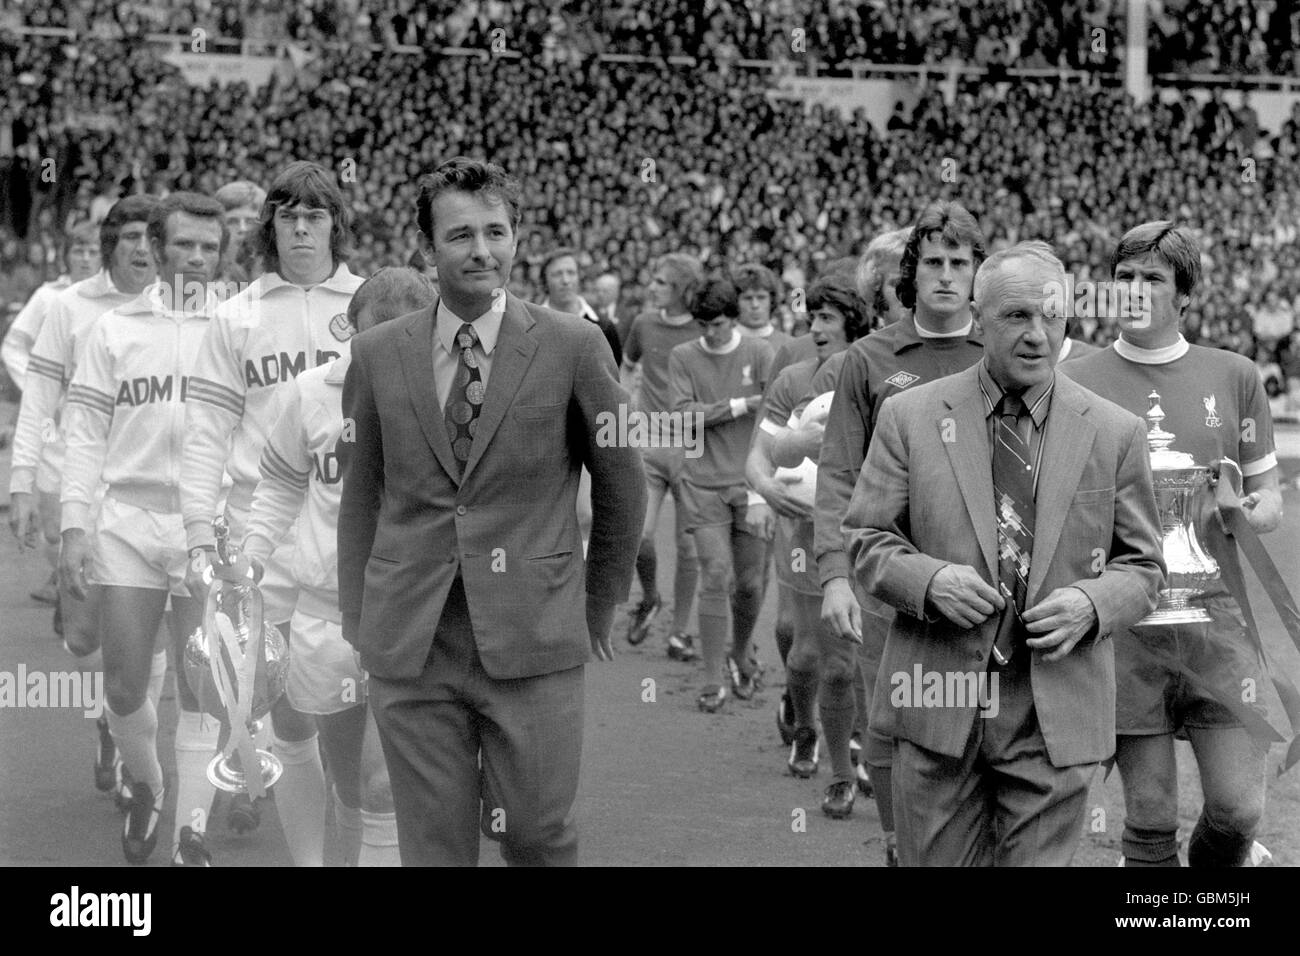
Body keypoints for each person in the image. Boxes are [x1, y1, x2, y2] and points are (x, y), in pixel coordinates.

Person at [337, 157, 645, 866]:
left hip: (534, 637)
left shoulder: (573, 345)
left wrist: (596, 608)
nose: (482, 250)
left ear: (516, 239)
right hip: (414, 642)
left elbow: (624, 485)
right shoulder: (379, 353)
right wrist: (359, 613)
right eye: (461, 235)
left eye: (497, 232)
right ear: (428, 249)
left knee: (536, 834)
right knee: (435, 847)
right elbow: (362, 495)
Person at [844, 241, 1165, 866]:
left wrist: (1092, 604)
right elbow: (865, 539)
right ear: (978, 315)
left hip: (1053, 715)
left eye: (1052, 315)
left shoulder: (1116, 431)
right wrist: (928, 581)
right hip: (936, 703)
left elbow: (1144, 567)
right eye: (1017, 316)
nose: (1037, 334)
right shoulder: (910, 417)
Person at [1063, 222, 1284, 867]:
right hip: (1124, 630)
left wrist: (1249, 508)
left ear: (1184, 296)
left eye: (1153, 279)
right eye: (1125, 278)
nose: (1134, 291)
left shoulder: (1235, 375)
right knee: (1151, 814)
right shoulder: (1074, 380)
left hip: (1218, 624)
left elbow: (1270, 499)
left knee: (1238, 811)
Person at [785, 204, 985, 848]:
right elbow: (838, 475)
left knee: (985, 725)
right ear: (912, 273)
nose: (946, 276)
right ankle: (902, 843)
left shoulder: (1005, 348)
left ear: (979, 273)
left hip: (987, 578)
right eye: (933, 263)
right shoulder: (869, 360)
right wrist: (835, 576)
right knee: (893, 718)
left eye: (960, 263)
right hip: (887, 576)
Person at [181, 160, 363, 867]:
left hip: (351, 533)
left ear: (336, 224)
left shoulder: (374, 307)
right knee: (285, 715)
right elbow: (205, 432)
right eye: (287, 215)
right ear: (270, 227)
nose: (301, 227)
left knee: (354, 717)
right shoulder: (236, 315)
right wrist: (201, 530)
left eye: (315, 215)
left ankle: (365, 842)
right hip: (261, 531)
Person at [241, 268, 436, 867]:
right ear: (348, 329)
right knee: (350, 782)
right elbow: (278, 484)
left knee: (385, 785)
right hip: (327, 615)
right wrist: (248, 558)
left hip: (414, 617)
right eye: (371, 339)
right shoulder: (309, 392)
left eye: (405, 338)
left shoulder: (448, 393)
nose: (384, 354)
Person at [58, 192, 226, 866]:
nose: (196, 257)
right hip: (128, 519)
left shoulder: (236, 327)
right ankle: (149, 784)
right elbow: (85, 435)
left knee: (200, 685)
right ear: (155, 249)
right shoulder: (114, 330)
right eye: (183, 244)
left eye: (210, 247)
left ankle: (190, 830)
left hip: (208, 526)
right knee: (125, 686)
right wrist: (74, 526)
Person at [7, 195, 158, 802]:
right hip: (79, 481)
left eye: (152, 239)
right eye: (129, 240)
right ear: (109, 246)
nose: (142, 251)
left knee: (145, 628)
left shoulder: (176, 308)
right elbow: (40, 397)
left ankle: (132, 753)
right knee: (84, 635)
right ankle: (107, 716)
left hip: (142, 491)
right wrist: (21, 481)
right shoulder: (68, 306)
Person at [745, 277, 868, 786]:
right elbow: (759, 454)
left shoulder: (878, 375)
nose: (815, 328)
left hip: (865, 534)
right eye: (811, 317)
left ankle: (850, 756)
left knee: (849, 659)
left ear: (853, 325)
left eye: (827, 319)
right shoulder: (793, 379)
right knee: (801, 648)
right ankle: (804, 726)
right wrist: (764, 492)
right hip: (801, 531)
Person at [668, 277, 775, 711]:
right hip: (702, 481)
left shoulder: (760, 353)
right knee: (715, 573)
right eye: (703, 324)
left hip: (751, 482)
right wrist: (738, 406)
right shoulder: (683, 356)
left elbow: (774, 407)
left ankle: (740, 650)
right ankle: (713, 678)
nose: (710, 332)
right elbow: (681, 416)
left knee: (749, 583)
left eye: (717, 324)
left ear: (734, 319)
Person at [2, 219, 102, 605]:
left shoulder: (120, 299)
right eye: (78, 250)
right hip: (53, 421)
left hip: (95, 419)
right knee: (53, 498)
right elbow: (13, 346)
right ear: (66, 256)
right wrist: (42, 392)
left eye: (93, 250)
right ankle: (60, 573)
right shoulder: (48, 297)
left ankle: (82, 585)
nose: (85, 258)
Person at [620, 253, 705, 659]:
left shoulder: (704, 328)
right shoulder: (642, 323)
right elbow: (626, 366)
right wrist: (627, 411)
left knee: (688, 547)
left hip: (692, 447)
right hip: (648, 443)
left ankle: (679, 631)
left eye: (661, 282)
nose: (651, 287)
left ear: (683, 291)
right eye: (653, 279)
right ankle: (651, 597)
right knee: (638, 534)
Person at [538, 247, 621, 366]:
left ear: (579, 277)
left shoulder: (604, 326)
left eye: (571, 273)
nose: (566, 280)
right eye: (557, 274)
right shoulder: (534, 326)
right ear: (545, 281)